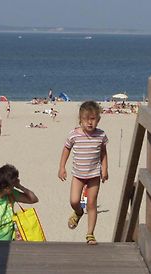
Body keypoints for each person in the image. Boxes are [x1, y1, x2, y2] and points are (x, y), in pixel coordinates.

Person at [58, 100, 109, 245]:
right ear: (80, 120)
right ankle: (79, 212)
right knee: (74, 201)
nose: (89, 123)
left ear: (98, 119)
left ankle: (90, 234)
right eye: (86, 119)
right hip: (78, 175)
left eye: (93, 119)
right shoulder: (74, 134)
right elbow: (66, 149)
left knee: (92, 203)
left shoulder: (101, 135)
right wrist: (62, 167)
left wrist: (105, 169)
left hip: (94, 175)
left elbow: (103, 152)